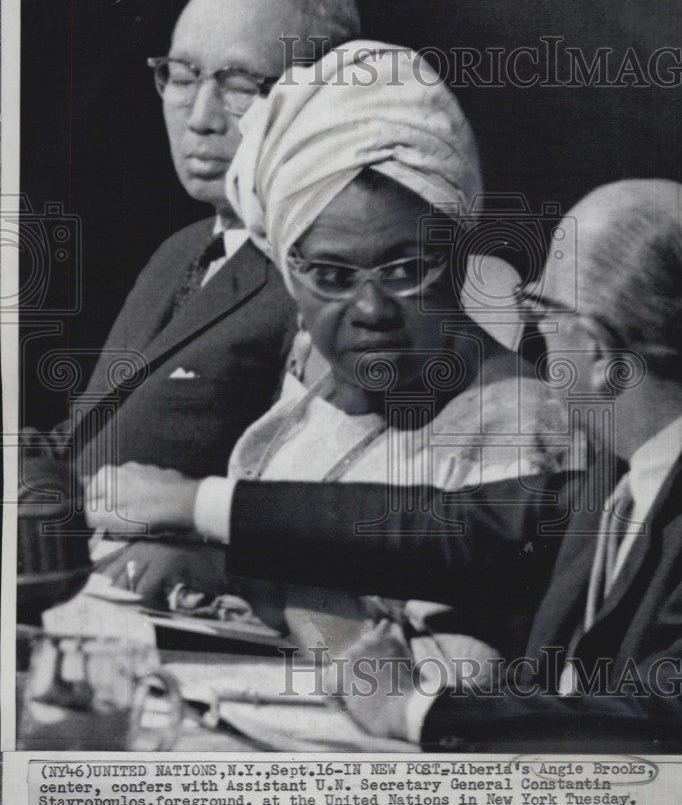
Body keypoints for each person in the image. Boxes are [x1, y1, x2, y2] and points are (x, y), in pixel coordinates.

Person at [87, 178, 682, 745]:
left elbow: (673, 720)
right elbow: (439, 526)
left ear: (601, 353)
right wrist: (200, 505)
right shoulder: (625, 470)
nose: (536, 340)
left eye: (543, 313)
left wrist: (413, 706)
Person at [87, 42, 572, 654]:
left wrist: (242, 577)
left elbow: (456, 681)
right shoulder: (311, 403)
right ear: (291, 276)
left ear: (456, 255)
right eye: (333, 277)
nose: (371, 311)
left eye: (405, 268)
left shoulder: (520, 430)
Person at [19, 0, 361, 588]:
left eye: (237, 86)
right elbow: (93, 437)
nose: (199, 116)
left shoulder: (325, 281)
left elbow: (341, 524)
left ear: (319, 99)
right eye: (181, 75)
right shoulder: (179, 250)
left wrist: (217, 569)